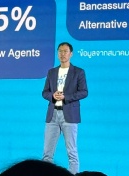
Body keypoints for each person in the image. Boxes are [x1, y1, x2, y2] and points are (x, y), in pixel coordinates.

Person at [42, 42, 88, 175]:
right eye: (60, 51)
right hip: (52, 114)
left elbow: (84, 92)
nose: (62, 54)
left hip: (69, 114)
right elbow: (45, 92)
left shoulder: (78, 72)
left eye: (65, 51)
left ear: (71, 54)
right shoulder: (51, 72)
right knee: (47, 153)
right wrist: (52, 96)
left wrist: (65, 97)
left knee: (71, 151)